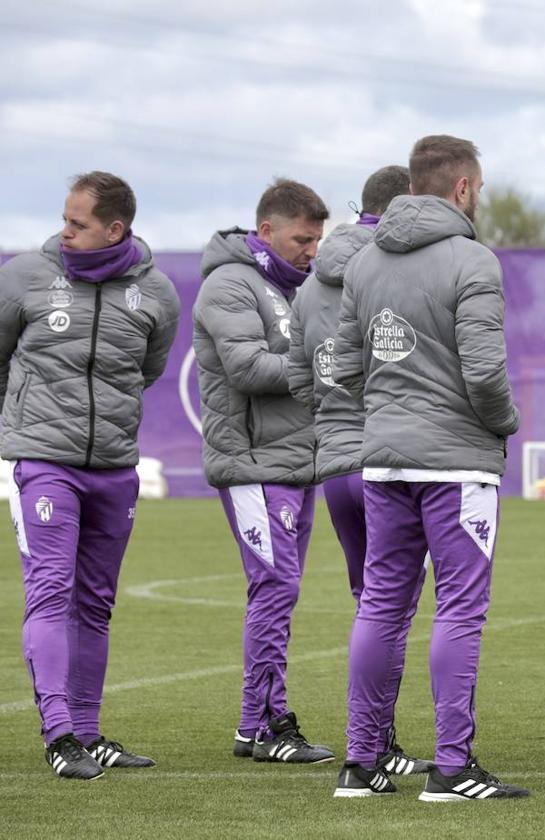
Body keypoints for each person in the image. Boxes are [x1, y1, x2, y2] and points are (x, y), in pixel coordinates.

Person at [334, 135, 528, 801]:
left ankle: (361, 763)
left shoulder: (362, 265)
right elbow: (484, 372)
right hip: (456, 463)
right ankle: (451, 767)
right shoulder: (472, 261)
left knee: (382, 606)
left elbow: (348, 366)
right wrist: (505, 422)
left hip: (383, 461)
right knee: (460, 609)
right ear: (465, 189)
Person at [0, 172, 180, 779]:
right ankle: (58, 735)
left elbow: (146, 369)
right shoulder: (25, 275)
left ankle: (87, 730)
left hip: (114, 468)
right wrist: (24, 429)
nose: (65, 231)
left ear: (114, 228)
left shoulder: (156, 293)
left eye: (78, 223)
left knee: (96, 605)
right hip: (44, 464)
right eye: (65, 219)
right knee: (51, 591)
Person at [287, 165, 434, 788]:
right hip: (389, 459)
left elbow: (299, 376)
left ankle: (368, 751)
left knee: (371, 609)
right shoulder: (402, 266)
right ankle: (377, 746)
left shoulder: (309, 282)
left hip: (335, 462)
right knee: (396, 612)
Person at [193, 178, 334, 764]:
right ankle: (271, 722)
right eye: (303, 238)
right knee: (275, 588)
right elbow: (247, 368)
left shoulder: (293, 286)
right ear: (267, 230)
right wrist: (324, 366)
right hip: (252, 463)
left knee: (279, 590)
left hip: (296, 462)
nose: (312, 250)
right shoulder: (228, 283)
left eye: (318, 240)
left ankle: (254, 726)